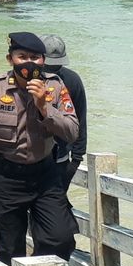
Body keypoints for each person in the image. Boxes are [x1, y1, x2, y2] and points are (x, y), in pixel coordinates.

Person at [0, 32, 79, 265]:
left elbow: (72, 131)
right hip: (6, 176)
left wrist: (45, 108)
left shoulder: (56, 88)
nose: (29, 62)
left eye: (35, 57)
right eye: (22, 56)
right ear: (10, 59)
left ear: (43, 60)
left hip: (44, 175)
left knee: (61, 238)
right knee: (9, 249)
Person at [40, 34, 87, 192]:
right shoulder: (25, 80)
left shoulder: (72, 80)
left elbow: (80, 119)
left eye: (56, 65)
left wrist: (77, 159)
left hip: (60, 158)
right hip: (29, 159)